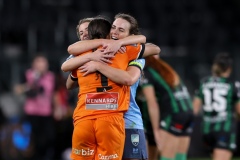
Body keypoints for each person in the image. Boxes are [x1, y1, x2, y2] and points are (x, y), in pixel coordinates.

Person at [64, 13, 160, 160]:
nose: (115, 32)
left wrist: (96, 63)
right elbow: (69, 80)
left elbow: (129, 78)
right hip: (111, 120)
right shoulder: (86, 55)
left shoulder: (126, 51)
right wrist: (92, 55)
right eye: (114, 28)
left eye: (120, 30)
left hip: (126, 121)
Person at [140, 55, 194, 160]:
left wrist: (156, 130)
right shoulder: (166, 69)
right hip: (188, 112)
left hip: (174, 114)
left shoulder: (147, 73)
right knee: (180, 156)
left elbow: (152, 102)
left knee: (166, 155)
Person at [192, 53, 240, 160]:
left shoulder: (203, 83)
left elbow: (194, 110)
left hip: (207, 130)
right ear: (229, 68)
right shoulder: (232, 84)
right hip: (224, 129)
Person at [14, 54, 55, 160]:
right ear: (34, 64)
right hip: (32, 113)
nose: (42, 65)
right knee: (32, 140)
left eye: (44, 62)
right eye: (39, 62)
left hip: (46, 113)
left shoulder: (51, 76)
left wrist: (58, 107)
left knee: (49, 139)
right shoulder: (28, 74)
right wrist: (31, 83)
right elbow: (18, 90)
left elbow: (54, 93)